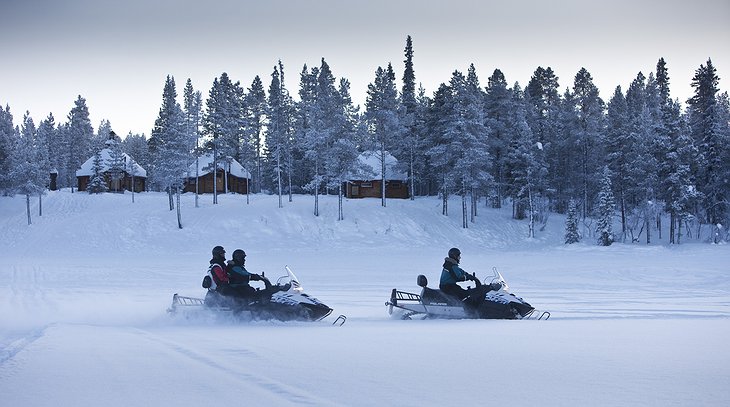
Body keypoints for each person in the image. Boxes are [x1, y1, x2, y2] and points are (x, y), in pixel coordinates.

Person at [226, 248, 290, 301]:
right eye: (243, 258)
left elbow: (247, 274)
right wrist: (256, 277)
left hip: (243, 289)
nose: (244, 260)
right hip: (240, 290)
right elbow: (245, 275)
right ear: (238, 258)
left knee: (268, 291)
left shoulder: (238, 266)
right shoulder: (234, 267)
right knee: (261, 296)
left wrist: (259, 277)